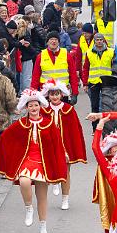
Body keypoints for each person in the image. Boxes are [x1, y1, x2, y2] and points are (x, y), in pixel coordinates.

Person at [0, 89, 68, 233]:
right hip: (27, 160)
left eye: (36, 105)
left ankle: (43, 226)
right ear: (26, 107)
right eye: (30, 106)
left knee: (42, 196)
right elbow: (5, 138)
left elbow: (57, 144)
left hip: (43, 162)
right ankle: (28, 207)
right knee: (24, 181)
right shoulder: (20, 124)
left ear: (40, 106)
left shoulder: (48, 123)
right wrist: (5, 155)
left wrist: (61, 157)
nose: (33, 108)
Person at [40, 79, 87, 210]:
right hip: (50, 145)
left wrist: (74, 147)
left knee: (66, 171)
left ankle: (65, 198)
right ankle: (55, 182)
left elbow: (75, 130)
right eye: (52, 94)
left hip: (65, 145)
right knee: (51, 168)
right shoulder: (44, 110)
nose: (54, 97)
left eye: (57, 94)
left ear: (62, 94)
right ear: (48, 95)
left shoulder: (69, 110)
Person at [30, 31, 80, 99]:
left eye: (56, 39)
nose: (54, 41)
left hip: (63, 92)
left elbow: (73, 75)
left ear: (59, 42)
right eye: (51, 39)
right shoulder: (40, 56)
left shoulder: (66, 55)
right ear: (47, 42)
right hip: (46, 93)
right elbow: (35, 76)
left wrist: (75, 93)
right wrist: (33, 93)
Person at [82, 33, 116, 130]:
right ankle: (95, 128)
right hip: (94, 82)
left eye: (101, 40)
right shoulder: (89, 53)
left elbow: (114, 67)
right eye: (97, 40)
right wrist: (85, 83)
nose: (99, 41)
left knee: (108, 105)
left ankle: (107, 127)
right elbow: (85, 69)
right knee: (95, 106)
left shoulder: (111, 52)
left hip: (107, 82)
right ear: (95, 41)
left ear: (103, 41)